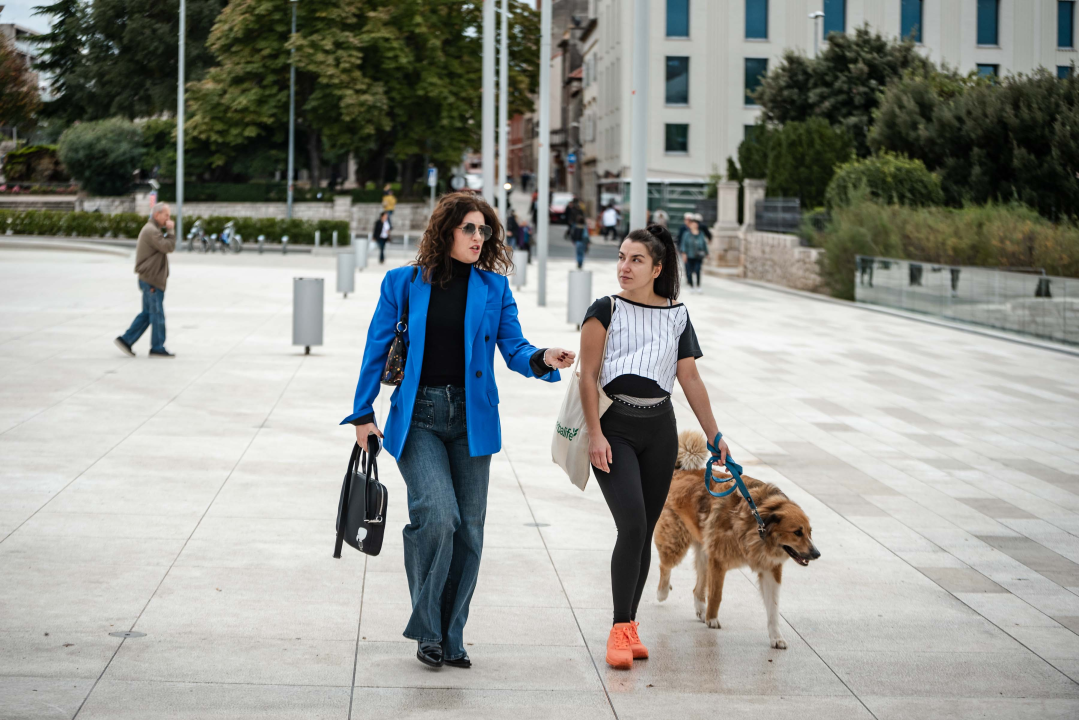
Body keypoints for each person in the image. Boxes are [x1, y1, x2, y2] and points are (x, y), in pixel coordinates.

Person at [343, 192, 576, 670]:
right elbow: (376, 346)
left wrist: (542, 358)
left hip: (473, 419)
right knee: (439, 515)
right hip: (420, 416)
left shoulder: (494, 289)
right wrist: (362, 413)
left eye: (484, 230)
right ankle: (427, 630)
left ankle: (452, 635)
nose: (478, 238)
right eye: (469, 228)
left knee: (470, 531)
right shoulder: (404, 282)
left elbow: (514, 348)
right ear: (446, 230)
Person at [577, 223, 730, 670]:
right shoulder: (604, 309)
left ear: (657, 268)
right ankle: (619, 628)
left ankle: (630, 628)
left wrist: (716, 436)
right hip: (614, 428)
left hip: (659, 428)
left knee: (644, 528)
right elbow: (587, 375)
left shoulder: (678, 315)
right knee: (632, 526)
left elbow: (690, 377)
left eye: (636, 260)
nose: (624, 266)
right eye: (622, 257)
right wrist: (595, 434)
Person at [114, 203, 176, 358]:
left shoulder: (152, 230)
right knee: (157, 314)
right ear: (157, 215)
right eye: (166, 215)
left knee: (148, 314)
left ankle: (126, 340)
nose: (168, 219)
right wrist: (171, 231)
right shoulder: (151, 231)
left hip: (150, 279)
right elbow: (168, 246)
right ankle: (157, 347)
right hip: (151, 280)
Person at [680, 214, 710, 294]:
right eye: (693, 224)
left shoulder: (701, 234)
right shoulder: (686, 234)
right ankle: (691, 285)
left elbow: (704, 244)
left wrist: (707, 253)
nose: (694, 225)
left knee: (697, 270)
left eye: (696, 224)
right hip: (689, 255)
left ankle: (698, 286)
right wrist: (684, 253)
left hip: (698, 256)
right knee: (689, 271)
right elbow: (683, 244)